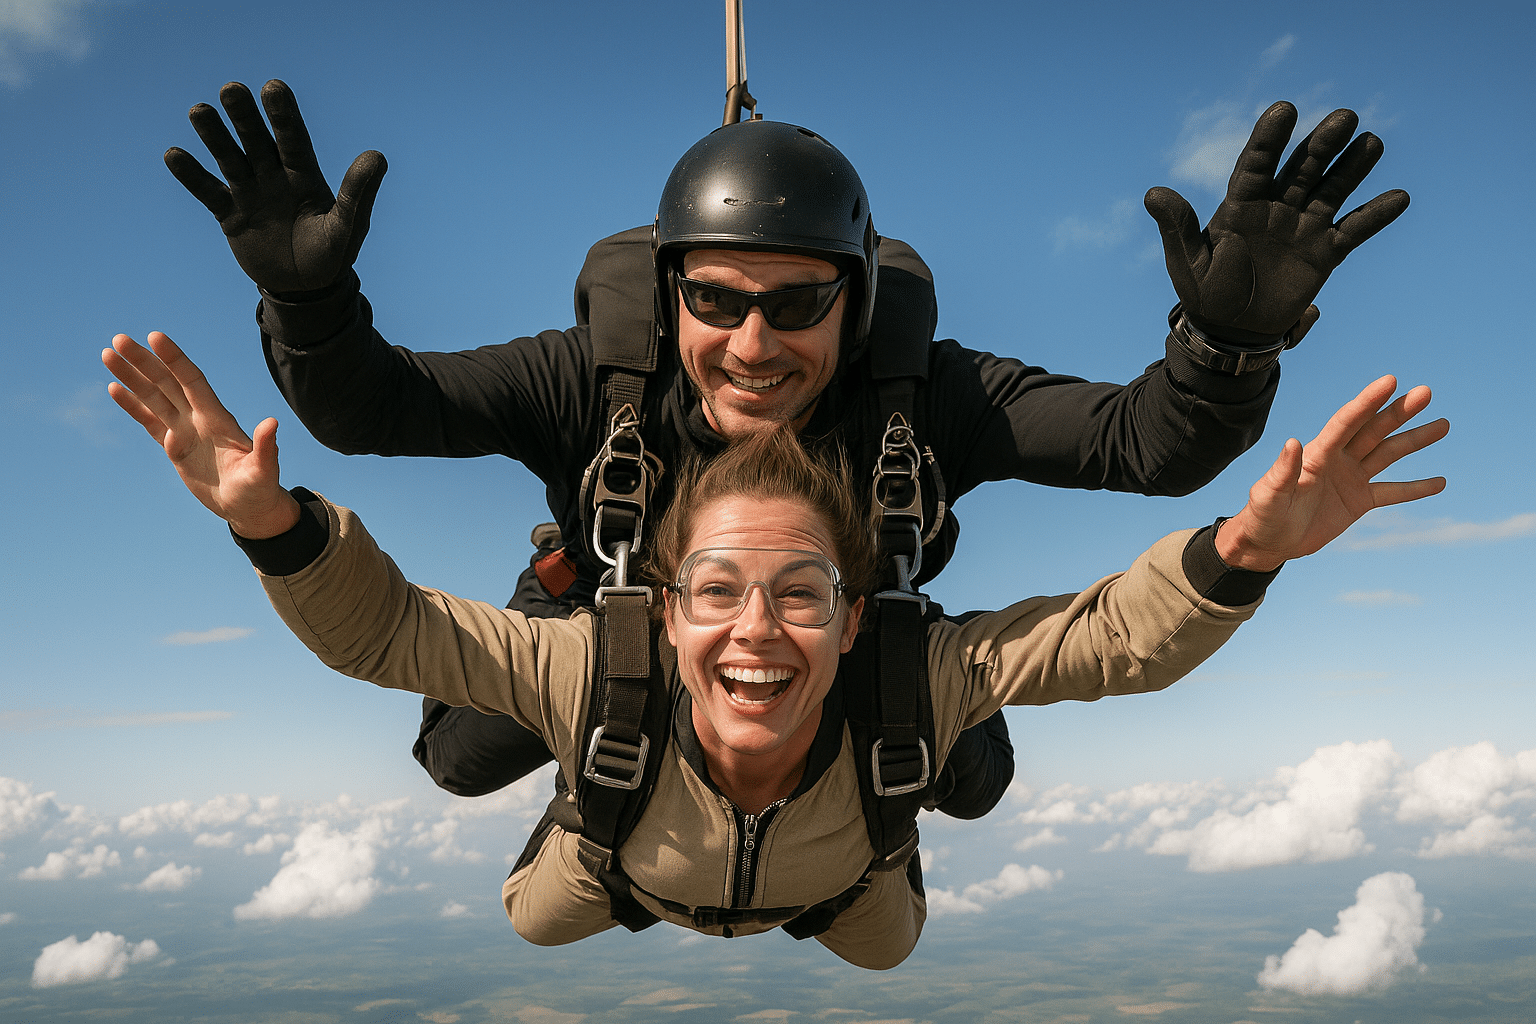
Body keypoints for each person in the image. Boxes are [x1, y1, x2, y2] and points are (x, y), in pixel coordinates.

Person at [164, 80, 1411, 812]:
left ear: (855, 303)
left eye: (798, 302)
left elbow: (1147, 446)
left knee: (966, 779)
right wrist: (312, 312)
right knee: (459, 759)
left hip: (843, 623)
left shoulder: (927, 395)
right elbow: (375, 410)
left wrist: (1229, 341)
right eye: (716, 299)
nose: (754, 341)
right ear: (671, 296)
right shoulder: (590, 376)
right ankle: (561, 589)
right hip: (617, 610)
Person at [104, 331, 1446, 969]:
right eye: (719, 592)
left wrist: (1250, 547)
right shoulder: (597, 668)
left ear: (856, 617)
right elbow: (392, 631)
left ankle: (884, 810)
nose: (757, 628)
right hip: (617, 862)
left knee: (886, 934)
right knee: (539, 919)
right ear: (664, 610)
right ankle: (595, 776)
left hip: (843, 872)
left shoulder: (897, 671)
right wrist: (272, 522)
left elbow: (1111, 641)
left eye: (804, 594)